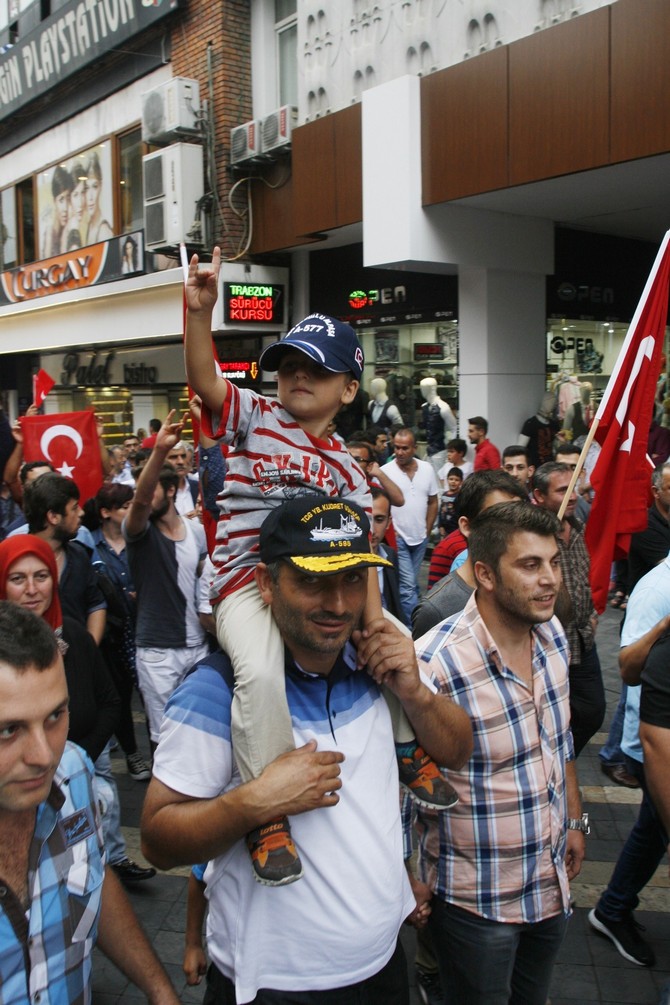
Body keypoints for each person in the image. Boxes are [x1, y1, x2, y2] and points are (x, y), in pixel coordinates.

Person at [185, 252, 453, 884]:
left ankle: (406, 744)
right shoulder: (255, 417)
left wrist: (373, 622)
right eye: (290, 365)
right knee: (259, 673)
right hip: (247, 585)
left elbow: (360, 556)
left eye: (318, 369)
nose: (299, 376)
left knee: (391, 641)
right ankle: (267, 811)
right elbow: (204, 378)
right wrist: (200, 313)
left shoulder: (349, 469)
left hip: (320, 580)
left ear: (349, 389)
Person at [141, 495, 473, 1005]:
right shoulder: (218, 689)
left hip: (383, 964)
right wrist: (255, 801)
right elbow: (157, 841)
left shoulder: (379, 665)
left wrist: (415, 692)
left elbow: (456, 750)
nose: (337, 605)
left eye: (351, 579)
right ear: (266, 586)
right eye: (312, 581)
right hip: (275, 986)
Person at [412, 502, 586, 1005]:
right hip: (477, 902)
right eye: (530, 565)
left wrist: (576, 821)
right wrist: (410, 877)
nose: (550, 579)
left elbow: (560, 737)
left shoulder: (551, 633)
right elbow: (403, 783)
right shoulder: (435, 664)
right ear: (484, 574)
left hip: (551, 884)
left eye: (553, 562)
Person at [0, 601, 178, 1003]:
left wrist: (159, 988)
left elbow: (90, 876)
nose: (44, 755)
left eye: (55, 715)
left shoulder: (74, 772)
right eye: (10, 730)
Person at [0, 534, 155, 885]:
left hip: (85, 763)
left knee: (84, 855)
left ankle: (113, 859)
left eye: (41, 576)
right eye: (17, 578)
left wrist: (76, 757)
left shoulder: (74, 634)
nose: (31, 589)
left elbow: (110, 699)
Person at [588, 555, 670, 968]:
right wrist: (662, 628)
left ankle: (612, 908)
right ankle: (612, 909)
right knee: (653, 829)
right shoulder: (658, 588)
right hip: (654, 741)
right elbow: (628, 665)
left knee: (651, 831)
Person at [123, 411, 209, 750]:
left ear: (172, 490)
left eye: (152, 482)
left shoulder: (197, 533)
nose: (138, 498)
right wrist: (158, 452)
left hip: (199, 648)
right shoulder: (138, 533)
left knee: (203, 732)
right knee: (165, 741)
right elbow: (142, 500)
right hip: (159, 654)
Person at [533, 461, 605, 756]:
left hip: (583, 639)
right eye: (563, 490)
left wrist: (591, 616)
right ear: (539, 496)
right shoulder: (534, 537)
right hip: (548, 644)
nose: (573, 495)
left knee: (592, 711)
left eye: (574, 487)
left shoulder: (578, 530)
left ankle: (563, 759)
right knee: (552, 715)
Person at [414, 470, 529, 637]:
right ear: (467, 526)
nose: (513, 528)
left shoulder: (524, 587)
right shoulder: (437, 610)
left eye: (519, 516)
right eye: (498, 518)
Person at [23, 472, 107, 644]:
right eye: (74, 507)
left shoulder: (79, 555)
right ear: (53, 517)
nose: (81, 512)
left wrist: (87, 651)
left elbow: (96, 605)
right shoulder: (16, 560)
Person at [384, 427, 440, 623]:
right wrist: (390, 532)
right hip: (398, 538)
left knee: (412, 585)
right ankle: (411, 629)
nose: (399, 452)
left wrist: (427, 528)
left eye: (404, 448)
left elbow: (433, 501)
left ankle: (404, 619)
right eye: (397, 447)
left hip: (420, 537)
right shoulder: (385, 472)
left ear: (414, 448)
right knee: (408, 587)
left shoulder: (426, 469)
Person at [418, 377, 457, 475]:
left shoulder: (443, 407)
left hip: (440, 450)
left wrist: (450, 449)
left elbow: (454, 428)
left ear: (431, 388)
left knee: (439, 478)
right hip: (429, 450)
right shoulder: (425, 407)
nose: (422, 390)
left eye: (424, 388)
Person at [518, 393, 560, 469]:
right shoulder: (531, 424)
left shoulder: (554, 425)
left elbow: (557, 446)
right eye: (550, 401)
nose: (552, 405)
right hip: (535, 466)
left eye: (554, 403)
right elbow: (520, 448)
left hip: (550, 466)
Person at [41, 164, 74, 257]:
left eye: (68, 199)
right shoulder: (50, 233)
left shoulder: (67, 230)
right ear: (54, 201)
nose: (65, 208)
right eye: (61, 200)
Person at [83, 151, 113, 244]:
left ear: (101, 186)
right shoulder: (89, 226)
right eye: (87, 188)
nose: (90, 197)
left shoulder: (104, 230)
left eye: (95, 187)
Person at [437, 466, 462, 537]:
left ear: (461, 482)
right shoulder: (444, 495)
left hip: (455, 530)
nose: (453, 482)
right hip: (444, 530)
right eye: (451, 479)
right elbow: (440, 512)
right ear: (447, 480)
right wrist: (440, 526)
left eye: (457, 480)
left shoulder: (460, 496)